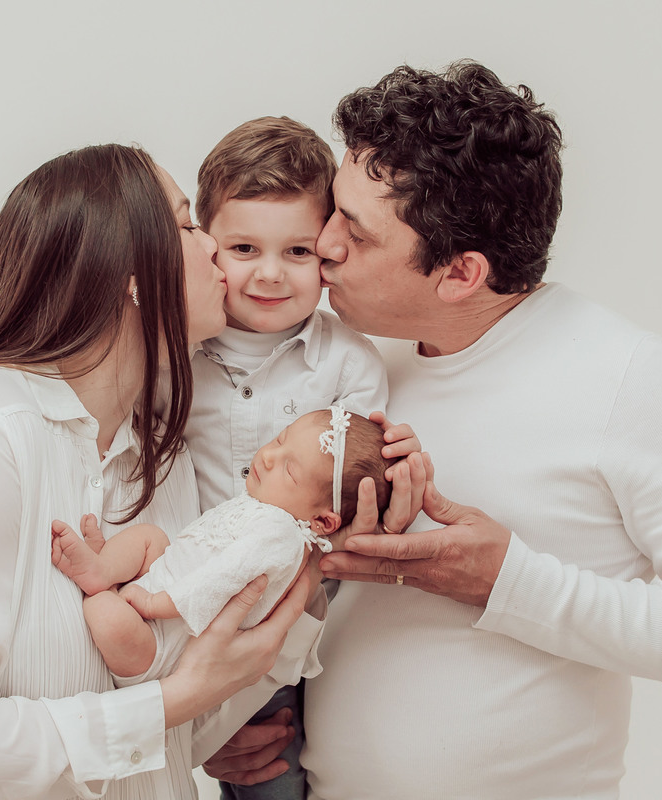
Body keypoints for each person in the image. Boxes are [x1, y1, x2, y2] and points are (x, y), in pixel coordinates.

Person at [205, 61, 662, 799]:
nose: (322, 245)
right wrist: (223, 720)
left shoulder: (630, 381)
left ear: (460, 274)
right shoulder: (354, 366)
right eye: (334, 212)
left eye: (354, 232)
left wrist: (506, 581)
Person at [0, 144, 328, 800]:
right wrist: (173, 702)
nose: (213, 246)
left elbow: (179, 733)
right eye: (187, 225)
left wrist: (309, 575)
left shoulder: (166, 461)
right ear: (133, 272)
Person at [185, 116, 396, 800]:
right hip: (193, 616)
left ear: (327, 250)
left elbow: (357, 504)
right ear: (207, 246)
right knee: (245, 768)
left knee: (308, 769)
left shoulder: (349, 364)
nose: (270, 273)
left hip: (305, 622)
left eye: (298, 251)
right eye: (244, 248)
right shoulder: (175, 361)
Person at [50, 408, 395, 686]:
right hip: (164, 583)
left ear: (323, 522)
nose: (269, 456)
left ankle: (104, 587)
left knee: (108, 618)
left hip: (163, 643)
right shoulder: (268, 508)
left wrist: (156, 603)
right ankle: (104, 568)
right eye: (280, 439)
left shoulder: (282, 536)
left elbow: (221, 578)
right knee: (151, 538)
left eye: (289, 471)